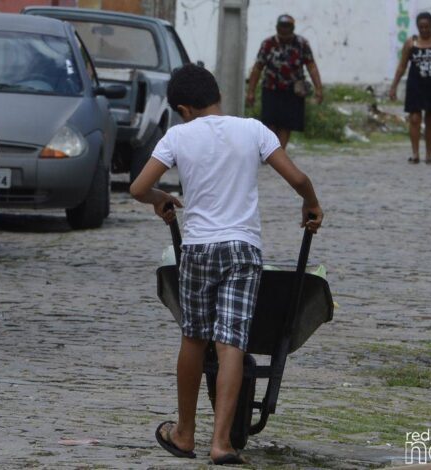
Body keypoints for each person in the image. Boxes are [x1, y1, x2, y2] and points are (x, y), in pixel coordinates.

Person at [130, 64, 323, 465]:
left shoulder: (178, 136)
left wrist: (160, 199)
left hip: (199, 248)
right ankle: (222, 443)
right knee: (231, 341)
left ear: (183, 108)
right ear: (216, 96)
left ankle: (184, 434)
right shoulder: (253, 129)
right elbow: (298, 177)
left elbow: (138, 187)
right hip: (243, 248)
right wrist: (311, 203)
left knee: (194, 338)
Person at [389, 11, 431, 164]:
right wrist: (393, 86)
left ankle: (429, 154)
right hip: (416, 85)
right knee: (414, 119)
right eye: (421, 27)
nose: (424, 30)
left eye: (427, 27)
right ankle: (415, 154)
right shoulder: (410, 43)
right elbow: (402, 66)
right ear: (417, 27)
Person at [246, 13, 323, 149]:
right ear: (277, 28)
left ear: (292, 29)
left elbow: (311, 66)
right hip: (271, 90)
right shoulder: (268, 44)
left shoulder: (302, 44)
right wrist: (251, 91)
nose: (285, 33)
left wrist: (319, 89)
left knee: (287, 125)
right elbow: (258, 68)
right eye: (282, 29)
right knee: (270, 123)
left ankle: (279, 152)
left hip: (293, 92)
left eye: (288, 29)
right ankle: (268, 151)